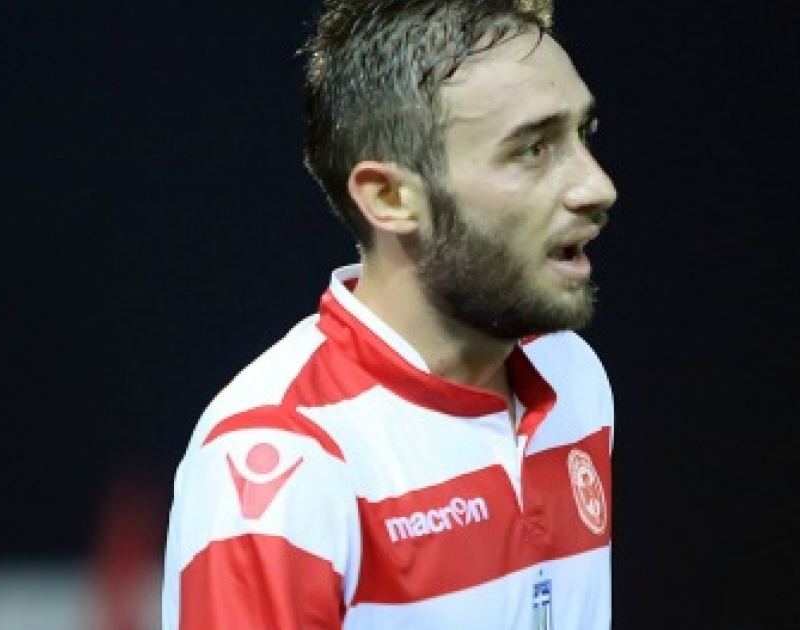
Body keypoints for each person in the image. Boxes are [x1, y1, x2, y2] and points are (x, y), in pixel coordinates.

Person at [161, 0, 618, 627]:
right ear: (390, 198)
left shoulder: (574, 378)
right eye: (533, 149)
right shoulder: (283, 460)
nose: (597, 187)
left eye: (582, 136)